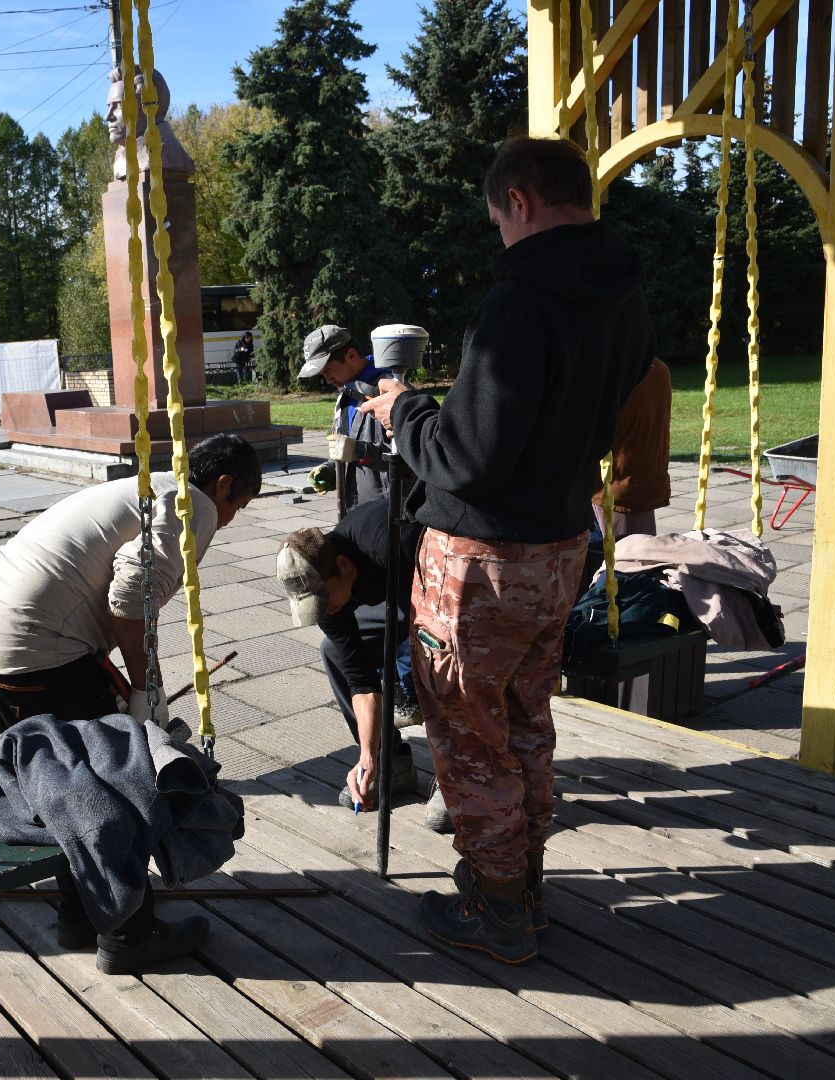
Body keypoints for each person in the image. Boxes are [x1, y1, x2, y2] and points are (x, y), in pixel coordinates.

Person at [360, 135, 654, 964]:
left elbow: (467, 458)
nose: (499, 235)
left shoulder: (520, 301)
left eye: (496, 219)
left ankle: (496, 908)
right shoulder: (624, 288)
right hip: (563, 543)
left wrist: (404, 411)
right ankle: (521, 880)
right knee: (527, 719)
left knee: (467, 730)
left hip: (482, 560)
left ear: (517, 202)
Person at [0, 433, 261, 971]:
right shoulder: (195, 506)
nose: (228, 520)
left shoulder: (147, 486)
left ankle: (80, 914)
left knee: (63, 780)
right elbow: (130, 600)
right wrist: (146, 691)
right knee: (113, 783)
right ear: (224, 484)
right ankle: (128, 935)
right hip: (33, 647)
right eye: (238, 506)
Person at [275, 497, 426, 813]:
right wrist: (368, 757)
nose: (325, 610)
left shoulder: (390, 545)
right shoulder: (326, 589)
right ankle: (391, 762)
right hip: (389, 596)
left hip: (429, 581)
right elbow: (362, 682)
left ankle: (459, 776)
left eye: (325, 600)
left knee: (433, 657)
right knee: (334, 651)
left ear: (343, 566)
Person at [300, 325, 394, 514]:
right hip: (354, 509)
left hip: (387, 513)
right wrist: (331, 469)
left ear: (351, 355)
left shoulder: (391, 390)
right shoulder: (345, 394)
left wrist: (359, 450)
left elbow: (413, 456)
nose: (327, 380)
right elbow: (344, 447)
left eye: (328, 371)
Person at [595, 357, 671, 538]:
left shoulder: (612, 369)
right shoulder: (657, 367)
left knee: (627, 558)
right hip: (638, 482)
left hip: (617, 486)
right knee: (637, 554)